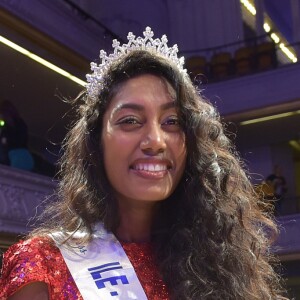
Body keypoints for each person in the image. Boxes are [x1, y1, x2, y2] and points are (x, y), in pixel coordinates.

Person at [0, 27, 288, 299]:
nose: (156, 140)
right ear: (95, 142)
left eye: (172, 122)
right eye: (130, 121)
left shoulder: (218, 265)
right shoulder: (44, 266)